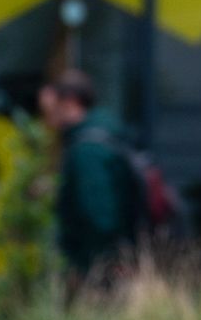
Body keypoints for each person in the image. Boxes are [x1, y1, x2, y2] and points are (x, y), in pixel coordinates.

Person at [37, 70, 140, 279]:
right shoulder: (100, 136)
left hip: (100, 268)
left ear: (69, 102)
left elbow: (99, 214)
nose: (46, 117)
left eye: (50, 108)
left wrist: (91, 266)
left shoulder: (87, 149)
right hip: (109, 262)